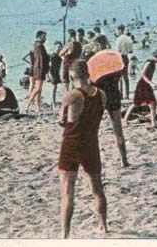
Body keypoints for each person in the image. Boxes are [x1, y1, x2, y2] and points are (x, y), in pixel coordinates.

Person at [57, 60, 108, 239]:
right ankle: (103, 226)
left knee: (67, 191)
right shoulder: (101, 94)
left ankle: (65, 234)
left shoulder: (72, 95)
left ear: (72, 76)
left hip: (72, 143)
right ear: (88, 73)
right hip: (91, 142)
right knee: (97, 188)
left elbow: (64, 120)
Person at [90, 52, 130, 168]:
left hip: (100, 97)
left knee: (93, 130)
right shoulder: (117, 72)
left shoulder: (99, 74)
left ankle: (93, 160)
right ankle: (124, 160)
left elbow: (92, 82)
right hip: (114, 97)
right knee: (118, 131)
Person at [123, 49, 157, 127]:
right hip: (142, 85)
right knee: (137, 103)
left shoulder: (153, 63)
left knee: (152, 103)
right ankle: (125, 119)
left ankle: (153, 123)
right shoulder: (149, 62)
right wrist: (151, 83)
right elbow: (142, 74)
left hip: (146, 85)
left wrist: (150, 83)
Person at [27, 30, 49, 113]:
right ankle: (28, 105)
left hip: (38, 68)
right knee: (38, 88)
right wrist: (45, 69)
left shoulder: (37, 45)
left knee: (39, 89)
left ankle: (37, 106)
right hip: (40, 68)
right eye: (44, 36)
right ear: (40, 36)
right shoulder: (39, 45)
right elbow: (41, 59)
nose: (45, 38)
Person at [59, 29, 83, 95]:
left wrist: (64, 58)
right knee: (74, 82)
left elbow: (60, 54)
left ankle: (67, 97)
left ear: (69, 35)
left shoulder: (69, 44)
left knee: (66, 83)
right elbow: (80, 55)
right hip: (76, 64)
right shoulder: (79, 44)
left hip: (68, 64)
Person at [115, 25, 134, 100]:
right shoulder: (128, 38)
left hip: (120, 57)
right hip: (126, 57)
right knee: (126, 77)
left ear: (119, 30)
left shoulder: (119, 39)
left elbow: (118, 50)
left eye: (117, 30)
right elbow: (131, 51)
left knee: (119, 78)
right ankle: (127, 95)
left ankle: (121, 95)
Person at [48, 42, 63, 109]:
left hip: (56, 72)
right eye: (57, 47)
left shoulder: (59, 55)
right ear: (55, 48)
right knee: (53, 88)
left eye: (60, 47)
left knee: (55, 88)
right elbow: (49, 66)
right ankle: (53, 104)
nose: (58, 48)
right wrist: (48, 75)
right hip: (52, 72)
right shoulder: (53, 55)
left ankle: (52, 104)